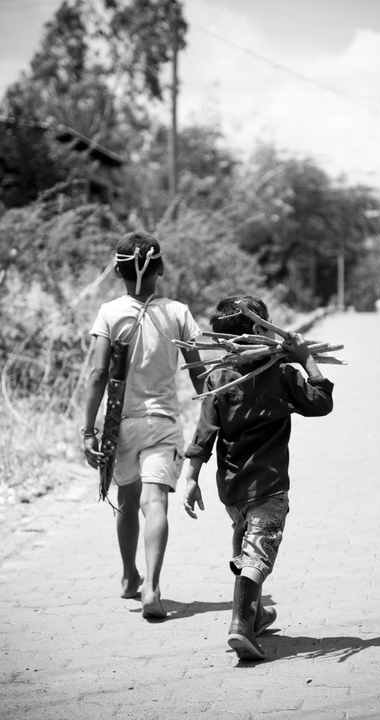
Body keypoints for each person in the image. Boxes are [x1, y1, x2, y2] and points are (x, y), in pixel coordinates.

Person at [183, 295, 334, 660]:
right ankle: (240, 625)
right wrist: (306, 360)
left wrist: (191, 478)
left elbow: (205, 433)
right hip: (268, 485)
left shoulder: (218, 378)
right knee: (259, 549)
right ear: (257, 331)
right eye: (268, 327)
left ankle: (255, 613)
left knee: (246, 543)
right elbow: (321, 403)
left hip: (232, 488)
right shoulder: (282, 374)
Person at [83, 230, 205, 619]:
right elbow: (199, 374)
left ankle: (128, 577)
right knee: (155, 503)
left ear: (118, 272)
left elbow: (98, 374)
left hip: (122, 424)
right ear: (161, 269)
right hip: (163, 422)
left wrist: (88, 430)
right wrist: (215, 416)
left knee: (126, 499)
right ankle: (152, 587)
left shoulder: (109, 313)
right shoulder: (178, 312)